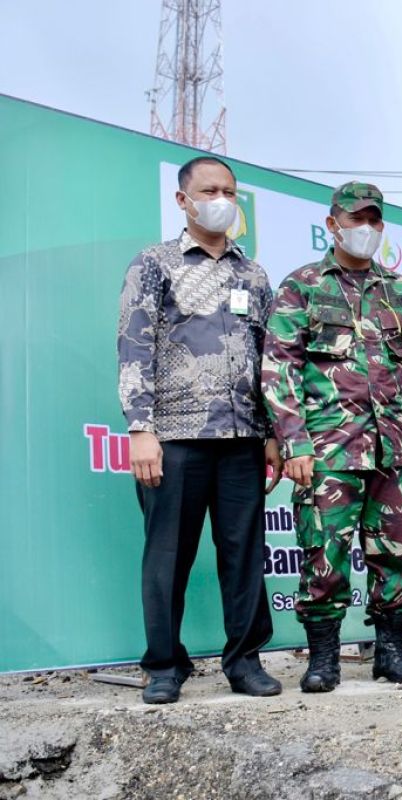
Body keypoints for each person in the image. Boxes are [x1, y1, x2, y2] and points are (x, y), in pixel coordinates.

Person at [118, 156, 283, 704]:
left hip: (241, 441)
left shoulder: (253, 274)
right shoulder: (154, 264)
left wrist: (272, 433)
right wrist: (141, 429)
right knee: (168, 557)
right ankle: (164, 665)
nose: (221, 198)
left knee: (243, 554)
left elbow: (267, 360)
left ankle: (245, 662)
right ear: (182, 199)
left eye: (229, 190)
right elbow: (134, 345)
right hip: (174, 438)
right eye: (209, 189)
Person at [262, 182, 402, 691]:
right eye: (356, 220)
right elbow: (278, 369)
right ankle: (323, 658)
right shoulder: (302, 287)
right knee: (323, 554)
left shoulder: (401, 292)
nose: (366, 229)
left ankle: (391, 652)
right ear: (332, 224)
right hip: (326, 449)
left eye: (374, 220)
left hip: (390, 449)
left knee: (395, 554)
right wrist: (295, 444)